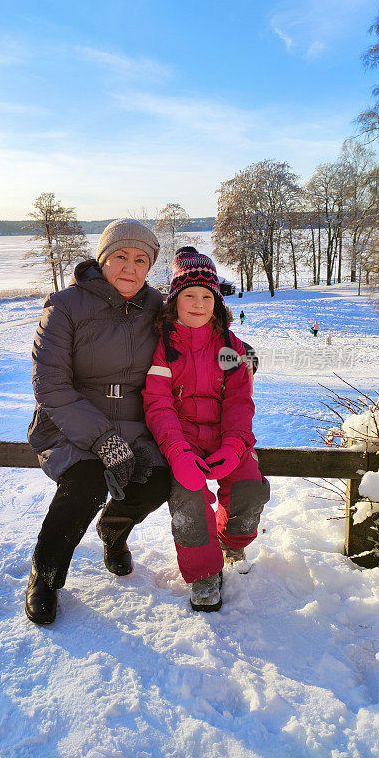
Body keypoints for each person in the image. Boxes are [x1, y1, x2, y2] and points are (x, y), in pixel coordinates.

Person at [25, 218, 172, 625]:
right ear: (102, 259)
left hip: (136, 423)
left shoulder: (159, 308)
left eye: (141, 260)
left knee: (160, 478)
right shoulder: (66, 305)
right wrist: (103, 440)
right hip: (70, 421)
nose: (130, 268)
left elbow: (203, 336)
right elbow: (51, 385)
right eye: (121, 257)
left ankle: (114, 530)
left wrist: (235, 356)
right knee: (86, 481)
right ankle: (46, 576)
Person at [143, 247, 270, 613]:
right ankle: (202, 575)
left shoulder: (231, 348)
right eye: (189, 296)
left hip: (226, 440)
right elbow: (158, 403)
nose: (198, 304)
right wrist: (177, 452)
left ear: (216, 300)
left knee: (247, 489)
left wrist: (234, 445)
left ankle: (232, 540)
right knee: (189, 501)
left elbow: (238, 402)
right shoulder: (164, 348)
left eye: (206, 296)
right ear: (174, 300)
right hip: (183, 443)